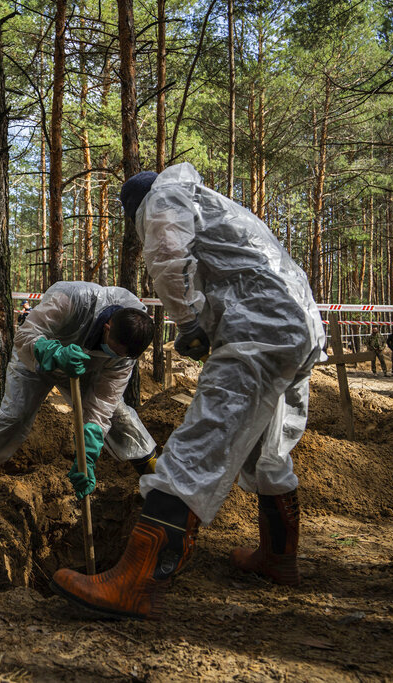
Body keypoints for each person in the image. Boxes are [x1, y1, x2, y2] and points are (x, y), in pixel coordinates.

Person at [50, 164, 326, 619]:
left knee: (199, 444)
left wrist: (188, 323)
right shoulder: (212, 204)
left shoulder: (162, 197)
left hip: (258, 331)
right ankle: (278, 556)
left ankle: (136, 583)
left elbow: (166, 253)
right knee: (268, 450)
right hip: (299, 326)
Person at [0, 280, 160, 515]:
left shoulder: (127, 351)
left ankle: (161, 492)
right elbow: (25, 336)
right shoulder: (74, 299)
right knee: (15, 416)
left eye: (121, 356)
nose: (115, 357)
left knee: (121, 420)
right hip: (37, 357)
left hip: (86, 370)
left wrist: (87, 452)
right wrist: (54, 353)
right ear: (108, 327)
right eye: (114, 350)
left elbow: (103, 403)